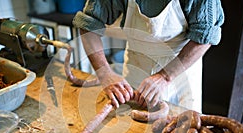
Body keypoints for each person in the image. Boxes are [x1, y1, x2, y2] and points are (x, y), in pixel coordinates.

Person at [72, 0, 224, 113]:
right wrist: (104, 72)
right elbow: (88, 24)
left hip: (180, 73)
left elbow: (205, 36)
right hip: (136, 68)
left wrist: (164, 77)